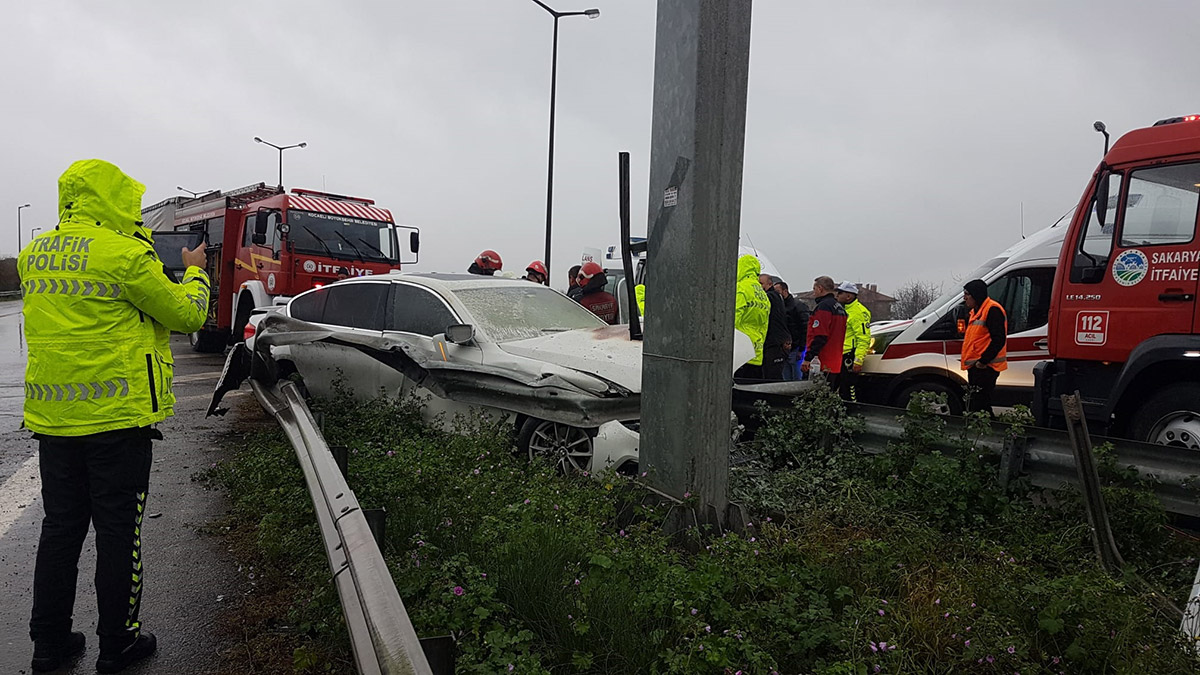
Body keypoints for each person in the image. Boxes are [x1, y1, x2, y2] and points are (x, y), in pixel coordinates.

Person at [24, 159, 211, 673]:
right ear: (117, 200)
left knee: (60, 529)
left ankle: (49, 644)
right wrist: (195, 270)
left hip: (55, 419)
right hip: (117, 420)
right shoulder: (127, 255)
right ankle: (118, 643)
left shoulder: (33, 254)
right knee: (117, 531)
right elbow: (187, 315)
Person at [961, 279, 1007, 416]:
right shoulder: (976, 311)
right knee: (979, 404)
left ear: (976, 294)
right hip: (977, 366)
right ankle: (984, 432)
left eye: (967, 294)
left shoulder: (992, 310)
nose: (964, 298)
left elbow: (999, 339)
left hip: (986, 367)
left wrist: (983, 361)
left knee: (982, 405)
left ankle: (988, 433)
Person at [801, 276, 848, 390]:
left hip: (821, 363)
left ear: (820, 288)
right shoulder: (840, 308)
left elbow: (820, 335)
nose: (813, 293)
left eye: (814, 289)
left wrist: (808, 358)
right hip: (835, 363)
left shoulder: (824, 307)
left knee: (815, 396)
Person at [733, 255, 770, 379]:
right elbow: (765, 325)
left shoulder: (741, 288)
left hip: (739, 353)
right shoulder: (763, 295)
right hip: (756, 352)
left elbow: (733, 319)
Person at [835, 281, 872, 400]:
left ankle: (851, 414)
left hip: (849, 356)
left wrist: (858, 360)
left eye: (840, 293)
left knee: (848, 390)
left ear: (849, 296)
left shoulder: (859, 312)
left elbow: (864, 338)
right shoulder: (842, 309)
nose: (837, 295)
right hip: (839, 354)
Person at [759, 273, 792, 380]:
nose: (758, 286)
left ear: (769, 284)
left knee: (772, 376)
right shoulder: (777, 296)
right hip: (779, 341)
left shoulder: (769, 297)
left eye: (761, 283)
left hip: (774, 343)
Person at [774, 280, 809, 380]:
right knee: (786, 377)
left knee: (797, 377)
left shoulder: (797, 306)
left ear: (785, 291)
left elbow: (804, 327)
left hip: (795, 347)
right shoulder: (780, 306)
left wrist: (801, 348)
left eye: (778, 291)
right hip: (785, 348)